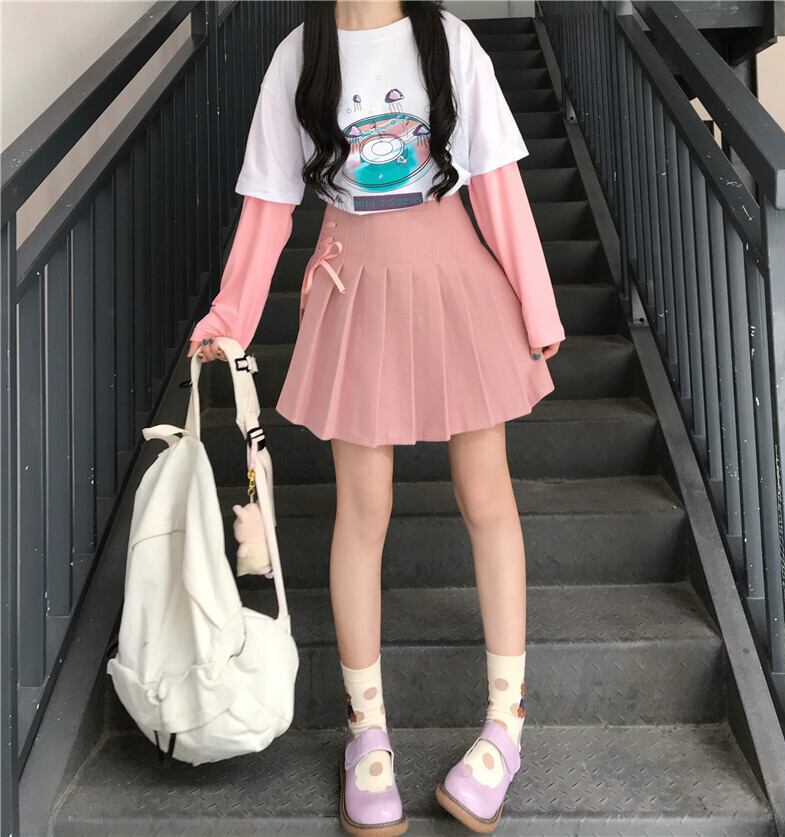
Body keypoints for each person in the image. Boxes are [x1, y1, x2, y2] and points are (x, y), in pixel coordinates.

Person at [188, 1, 565, 833]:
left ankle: (506, 723)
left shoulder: (449, 41)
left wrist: (538, 307)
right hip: (353, 288)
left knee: (487, 495)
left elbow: (498, 187)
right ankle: (367, 732)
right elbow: (268, 203)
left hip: (457, 278)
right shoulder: (300, 56)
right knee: (363, 511)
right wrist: (232, 315)